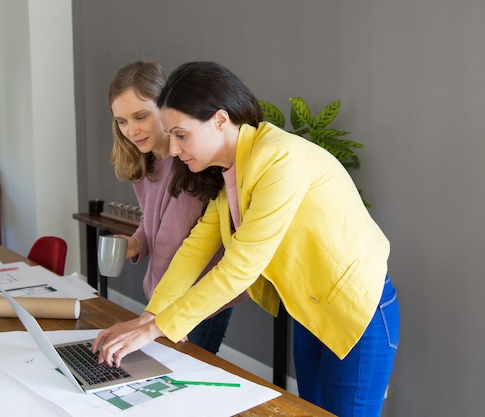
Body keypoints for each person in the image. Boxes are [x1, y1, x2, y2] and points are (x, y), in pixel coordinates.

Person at [94, 61, 400, 417]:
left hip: (358, 311)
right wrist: (150, 316)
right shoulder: (232, 171)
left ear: (220, 120)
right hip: (310, 311)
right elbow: (195, 248)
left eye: (181, 134)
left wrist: (157, 328)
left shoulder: (279, 158)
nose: (174, 150)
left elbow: (240, 267)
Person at [106, 59, 246, 354]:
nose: (131, 130)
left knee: (184, 372)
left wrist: (155, 317)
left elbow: (182, 241)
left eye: (140, 116)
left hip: (196, 296)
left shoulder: (191, 159)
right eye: (122, 121)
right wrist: (136, 243)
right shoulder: (146, 162)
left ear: (167, 108)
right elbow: (152, 220)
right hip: (165, 295)